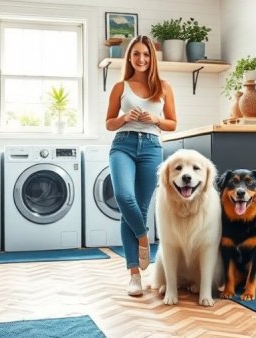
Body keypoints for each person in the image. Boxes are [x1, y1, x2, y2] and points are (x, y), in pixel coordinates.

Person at [105, 35, 177, 297]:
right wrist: (124, 117)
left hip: (151, 147)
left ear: (152, 58)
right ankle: (144, 237)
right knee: (124, 197)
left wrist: (155, 119)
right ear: (130, 57)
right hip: (122, 145)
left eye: (146, 54)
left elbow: (173, 123)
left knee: (140, 207)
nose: (141, 59)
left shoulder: (164, 86)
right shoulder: (120, 87)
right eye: (136, 54)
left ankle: (134, 275)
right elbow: (109, 123)